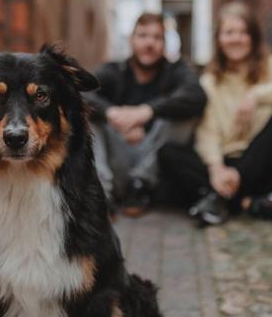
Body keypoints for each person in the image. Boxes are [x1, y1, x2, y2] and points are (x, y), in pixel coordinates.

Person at [159, 2, 272, 226]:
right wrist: (216, 169)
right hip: (227, 166)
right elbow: (208, 131)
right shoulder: (210, 82)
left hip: (266, 167)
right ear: (219, 39)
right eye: (229, 32)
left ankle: (219, 200)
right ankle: (249, 203)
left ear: (253, 37)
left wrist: (257, 95)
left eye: (243, 32)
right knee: (168, 152)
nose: (236, 38)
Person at [85, 12, 206, 217]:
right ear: (132, 40)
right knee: (86, 116)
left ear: (164, 44)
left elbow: (197, 96)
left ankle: (140, 185)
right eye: (143, 35)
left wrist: (146, 112)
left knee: (183, 115)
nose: (149, 43)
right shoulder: (115, 70)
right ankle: (101, 194)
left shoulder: (176, 72)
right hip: (116, 157)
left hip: (153, 163)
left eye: (157, 37)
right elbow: (80, 92)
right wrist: (111, 113)